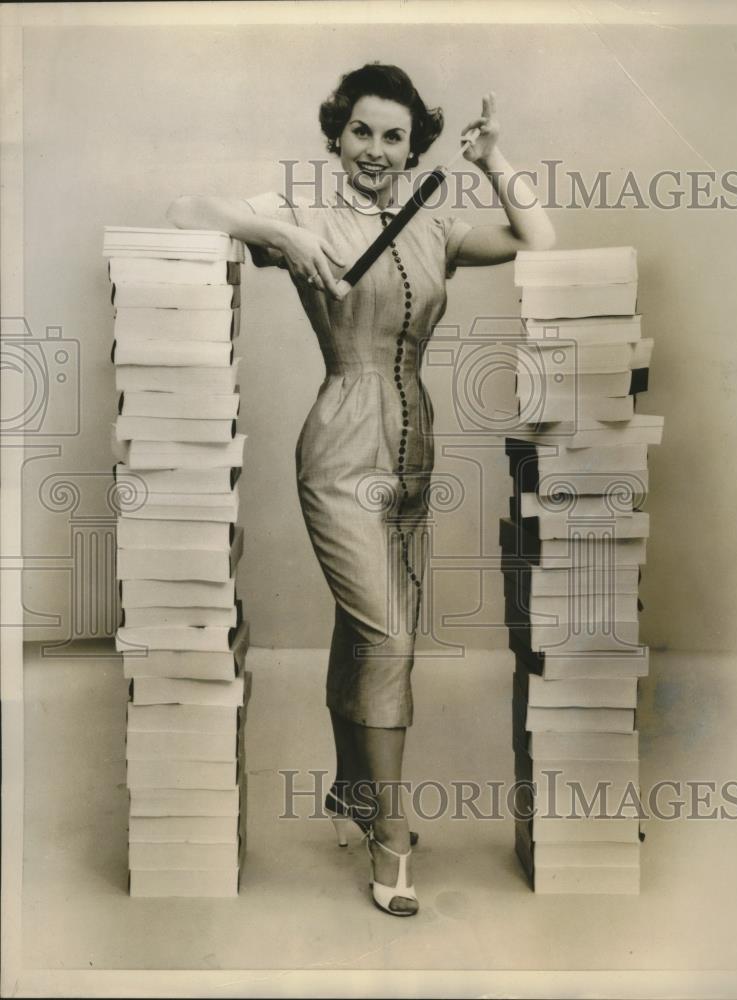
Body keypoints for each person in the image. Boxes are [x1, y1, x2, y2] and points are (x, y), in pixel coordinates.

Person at [167, 62, 555, 917]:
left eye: (392, 135)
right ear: (335, 136)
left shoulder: (433, 222)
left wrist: (493, 157)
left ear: (414, 145)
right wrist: (293, 241)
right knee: (389, 640)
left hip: (416, 448)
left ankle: (349, 789)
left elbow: (537, 240)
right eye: (359, 132)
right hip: (341, 448)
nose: (375, 150)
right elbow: (186, 212)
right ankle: (388, 836)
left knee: (367, 628)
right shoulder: (307, 215)